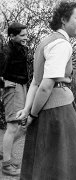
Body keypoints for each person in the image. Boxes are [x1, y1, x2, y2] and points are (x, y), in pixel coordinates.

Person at [16, 2, 76, 179]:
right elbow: (45, 86)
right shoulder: (61, 44)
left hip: (43, 109)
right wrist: (32, 115)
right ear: (63, 19)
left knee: (46, 165)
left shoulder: (45, 41)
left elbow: (35, 83)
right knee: (64, 165)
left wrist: (28, 109)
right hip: (58, 111)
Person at [0, 22, 28, 176]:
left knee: (23, 126)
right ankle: (6, 165)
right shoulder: (6, 50)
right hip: (12, 89)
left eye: (26, 34)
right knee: (12, 127)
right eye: (22, 35)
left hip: (23, 87)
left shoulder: (21, 48)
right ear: (11, 36)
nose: (26, 37)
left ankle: (5, 152)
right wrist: (2, 82)